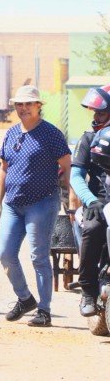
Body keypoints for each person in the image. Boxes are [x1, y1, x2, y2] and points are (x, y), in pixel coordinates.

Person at [0, 85, 71, 327]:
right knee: (6, 254)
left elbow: (67, 165)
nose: (23, 108)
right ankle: (25, 298)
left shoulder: (51, 134)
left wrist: (69, 198)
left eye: (28, 104)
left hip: (42, 202)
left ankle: (44, 310)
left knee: (39, 256)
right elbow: (4, 169)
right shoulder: (11, 133)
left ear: (38, 106)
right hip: (13, 204)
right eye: (19, 104)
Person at [70, 85, 110, 317]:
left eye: (101, 113)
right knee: (93, 229)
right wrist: (90, 200)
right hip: (99, 201)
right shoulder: (87, 138)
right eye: (95, 113)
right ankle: (87, 290)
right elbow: (75, 175)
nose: (96, 117)